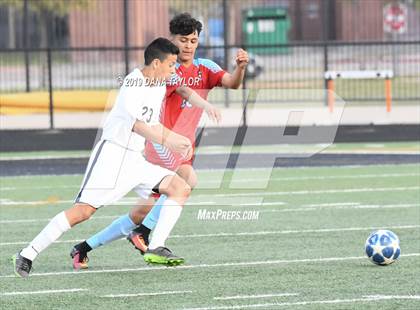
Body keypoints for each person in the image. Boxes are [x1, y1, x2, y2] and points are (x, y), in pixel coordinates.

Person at [71, 13, 249, 268]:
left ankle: (84, 247)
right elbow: (176, 90)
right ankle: (146, 236)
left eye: (193, 40)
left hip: (183, 146)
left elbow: (232, 83)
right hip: (160, 143)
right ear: (171, 40)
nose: (188, 45)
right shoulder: (166, 70)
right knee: (188, 180)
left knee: (140, 214)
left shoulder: (206, 67)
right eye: (183, 40)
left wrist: (240, 68)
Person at [12, 38, 196, 278]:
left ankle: (155, 246)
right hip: (113, 155)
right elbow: (136, 125)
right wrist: (168, 140)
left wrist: (178, 139)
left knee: (180, 188)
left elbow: (153, 125)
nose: (174, 70)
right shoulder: (133, 82)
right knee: (82, 213)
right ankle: (27, 254)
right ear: (155, 63)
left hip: (135, 159)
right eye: (171, 64)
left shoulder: (159, 87)